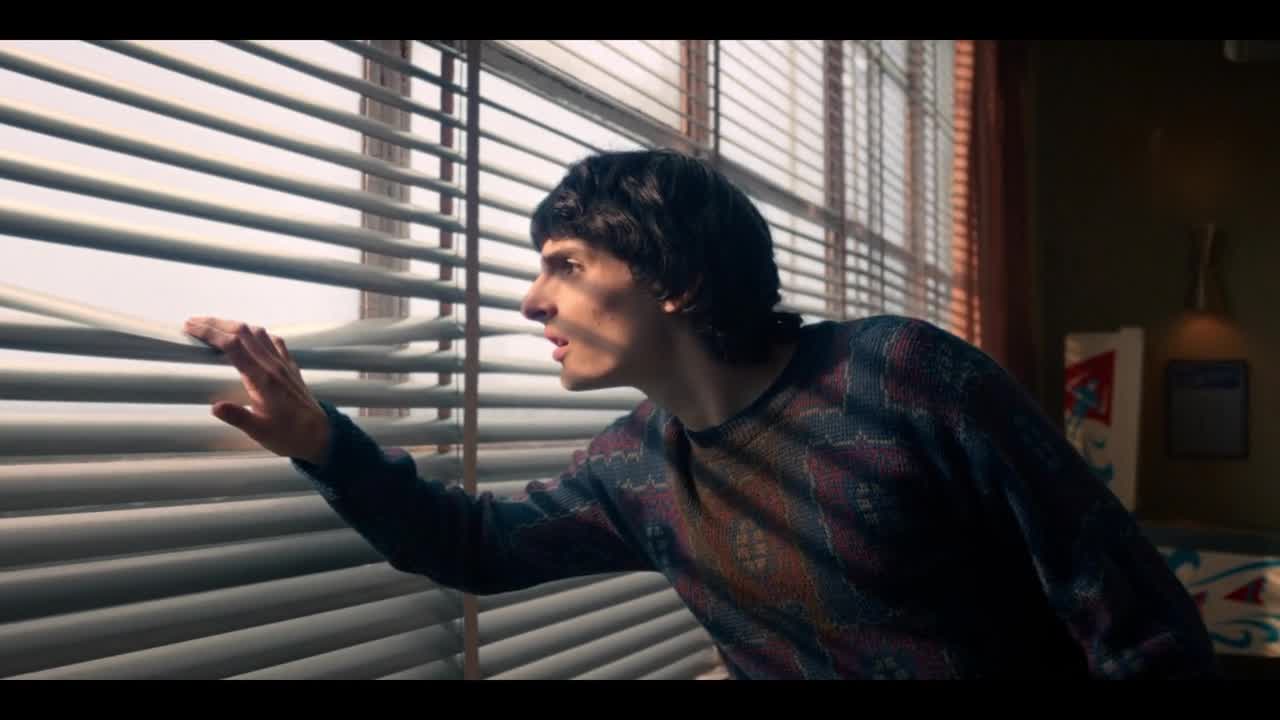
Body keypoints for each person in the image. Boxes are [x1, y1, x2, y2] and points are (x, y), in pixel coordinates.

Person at [184, 150, 1219, 679]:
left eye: (565, 266)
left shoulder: (903, 374)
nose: (531, 301)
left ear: (674, 279)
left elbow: (1130, 617)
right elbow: (472, 545)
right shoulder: (632, 468)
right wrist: (320, 441)